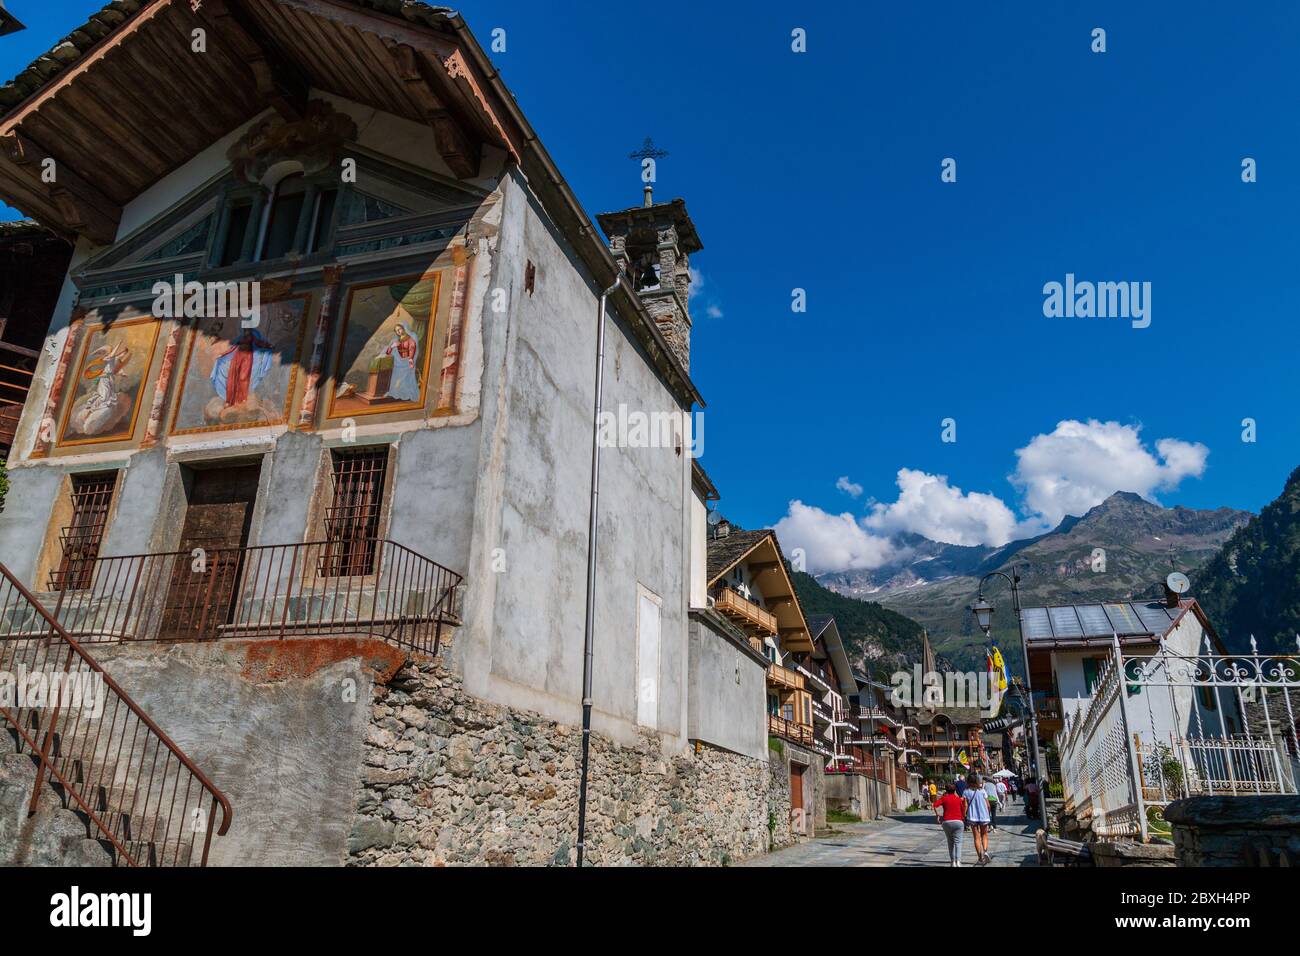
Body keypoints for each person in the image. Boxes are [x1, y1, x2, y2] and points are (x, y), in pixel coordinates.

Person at [933, 781, 966, 867]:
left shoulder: (944, 798)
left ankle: (952, 862)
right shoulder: (958, 799)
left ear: (946, 790)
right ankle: (958, 861)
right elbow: (963, 810)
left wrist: (938, 815)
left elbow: (935, 805)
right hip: (958, 821)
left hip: (946, 821)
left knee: (950, 842)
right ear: (955, 790)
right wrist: (963, 817)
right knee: (958, 842)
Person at [964, 773, 992, 864]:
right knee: (984, 834)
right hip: (984, 816)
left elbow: (965, 806)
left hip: (972, 816)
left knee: (976, 837)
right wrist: (988, 813)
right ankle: (985, 851)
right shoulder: (982, 791)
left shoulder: (966, 792)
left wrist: (964, 815)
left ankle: (980, 857)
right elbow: (988, 805)